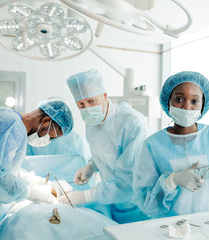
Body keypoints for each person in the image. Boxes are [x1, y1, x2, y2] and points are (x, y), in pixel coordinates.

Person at [133, 71, 209, 218]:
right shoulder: (153, 145)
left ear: (203, 105)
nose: (186, 106)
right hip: (172, 225)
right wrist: (172, 181)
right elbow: (146, 201)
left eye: (194, 101)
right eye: (179, 99)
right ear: (168, 101)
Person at [0, 99, 73, 240]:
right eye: (51, 136)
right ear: (45, 121)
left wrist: (37, 182)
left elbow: (2, 168)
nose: (48, 141)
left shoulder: (9, 120)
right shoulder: (8, 126)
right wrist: (29, 192)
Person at [62, 69, 152, 224]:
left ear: (104, 96)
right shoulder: (92, 122)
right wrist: (91, 166)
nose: (87, 108)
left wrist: (87, 196)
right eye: (81, 104)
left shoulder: (132, 124)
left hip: (138, 206)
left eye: (91, 101)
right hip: (112, 201)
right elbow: (106, 152)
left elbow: (130, 179)